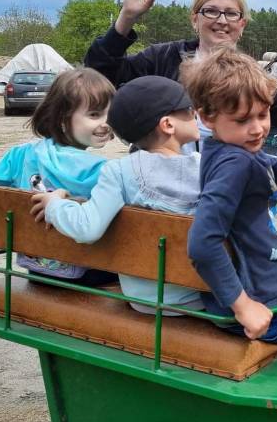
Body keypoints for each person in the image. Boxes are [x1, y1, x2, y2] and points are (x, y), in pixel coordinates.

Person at [29, 76, 206, 316]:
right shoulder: (209, 168)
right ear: (167, 124)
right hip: (202, 297)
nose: (196, 113)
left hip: (145, 300)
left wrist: (54, 205)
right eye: (188, 110)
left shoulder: (119, 171)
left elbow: (87, 228)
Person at [83, 0, 277, 141]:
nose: (222, 20)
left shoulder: (250, 75)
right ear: (195, 19)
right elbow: (100, 74)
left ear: (242, 24)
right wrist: (127, 17)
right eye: (211, 11)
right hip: (161, 169)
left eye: (231, 13)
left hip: (227, 173)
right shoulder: (163, 58)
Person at [181, 48, 277, 343]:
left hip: (275, 287)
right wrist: (243, 307)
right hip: (265, 306)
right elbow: (202, 243)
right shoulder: (235, 164)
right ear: (207, 117)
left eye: (263, 115)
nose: (257, 129)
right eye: (242, 120)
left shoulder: (239, 151)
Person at [0, 68, 117, 286]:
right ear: (63, 119)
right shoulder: (104, 170)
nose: (105, 123)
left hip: (37, 270)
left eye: (109, 115)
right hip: (88, 275)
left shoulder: (21, 155)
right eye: (94, 115)